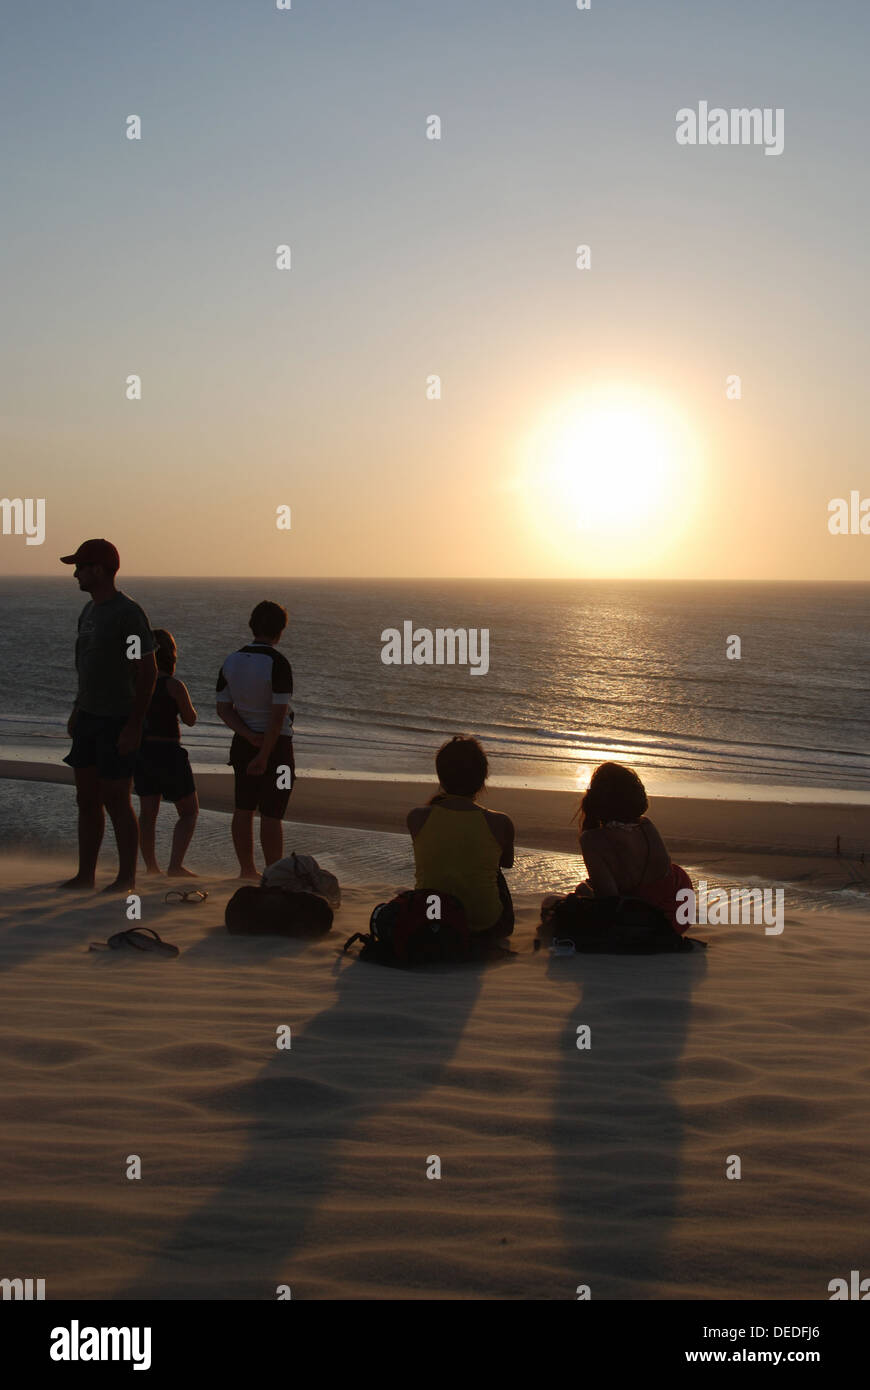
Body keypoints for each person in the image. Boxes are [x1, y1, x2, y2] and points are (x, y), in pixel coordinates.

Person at [60, 539, 157, 892]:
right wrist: (76, 708)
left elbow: (146, 670)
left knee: (117, 798)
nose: (75, 574)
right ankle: (85, 875)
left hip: (117, 719)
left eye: (80, 567)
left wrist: (133, 724)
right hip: (88, 716)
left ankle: (126, 878)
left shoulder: (126, 613)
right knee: (86, 799)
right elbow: (85, 666)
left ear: (98, 570)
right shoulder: (88, 612)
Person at [407, 735, 514, 941]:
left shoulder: (417, 817)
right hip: (486, 924)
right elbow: (506, 862)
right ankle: (477, 916)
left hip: (433, 916)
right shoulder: (500, 822)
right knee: (494, 870)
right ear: (483, 778)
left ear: (441, 777)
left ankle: (443, 919)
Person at [216, 600, 295, 878]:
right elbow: (277, 716)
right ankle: (273, 872)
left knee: (244, 807)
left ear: (252, 625)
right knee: (272, 813)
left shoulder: (231, 660)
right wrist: (264, 753)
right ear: (280, 631)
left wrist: (248, 735)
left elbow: (223, 709)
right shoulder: (278, 663)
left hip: (243, 742)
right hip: (278, 747)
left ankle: (247, 870)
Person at [573, 761, 692, 932]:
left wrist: (587, 891)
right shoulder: (646, 825)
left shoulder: (591, 840)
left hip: (650, 920)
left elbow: (609, 902)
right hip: (681, 912)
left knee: (570, 895)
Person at [134, 629, 199, 877]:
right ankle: (175, 865)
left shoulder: (137, 683)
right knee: (189, 811)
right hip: (169, 751)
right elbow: (190, 719)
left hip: (143, 752)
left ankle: (151, 866)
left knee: (148, 813)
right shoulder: (173, 685)